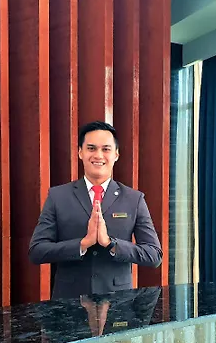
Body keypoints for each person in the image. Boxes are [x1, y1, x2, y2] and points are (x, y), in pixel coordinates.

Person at [29, 121, 163, 298]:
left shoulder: (134, 199)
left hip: (118, 302)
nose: (98, 155)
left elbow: (154, 255)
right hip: (69, 301)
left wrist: (111, 244)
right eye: (91, 148)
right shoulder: (58, 196)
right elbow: (37, 251)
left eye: (106, 149)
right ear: (80, 152)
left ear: (116, 154)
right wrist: (82, 244)